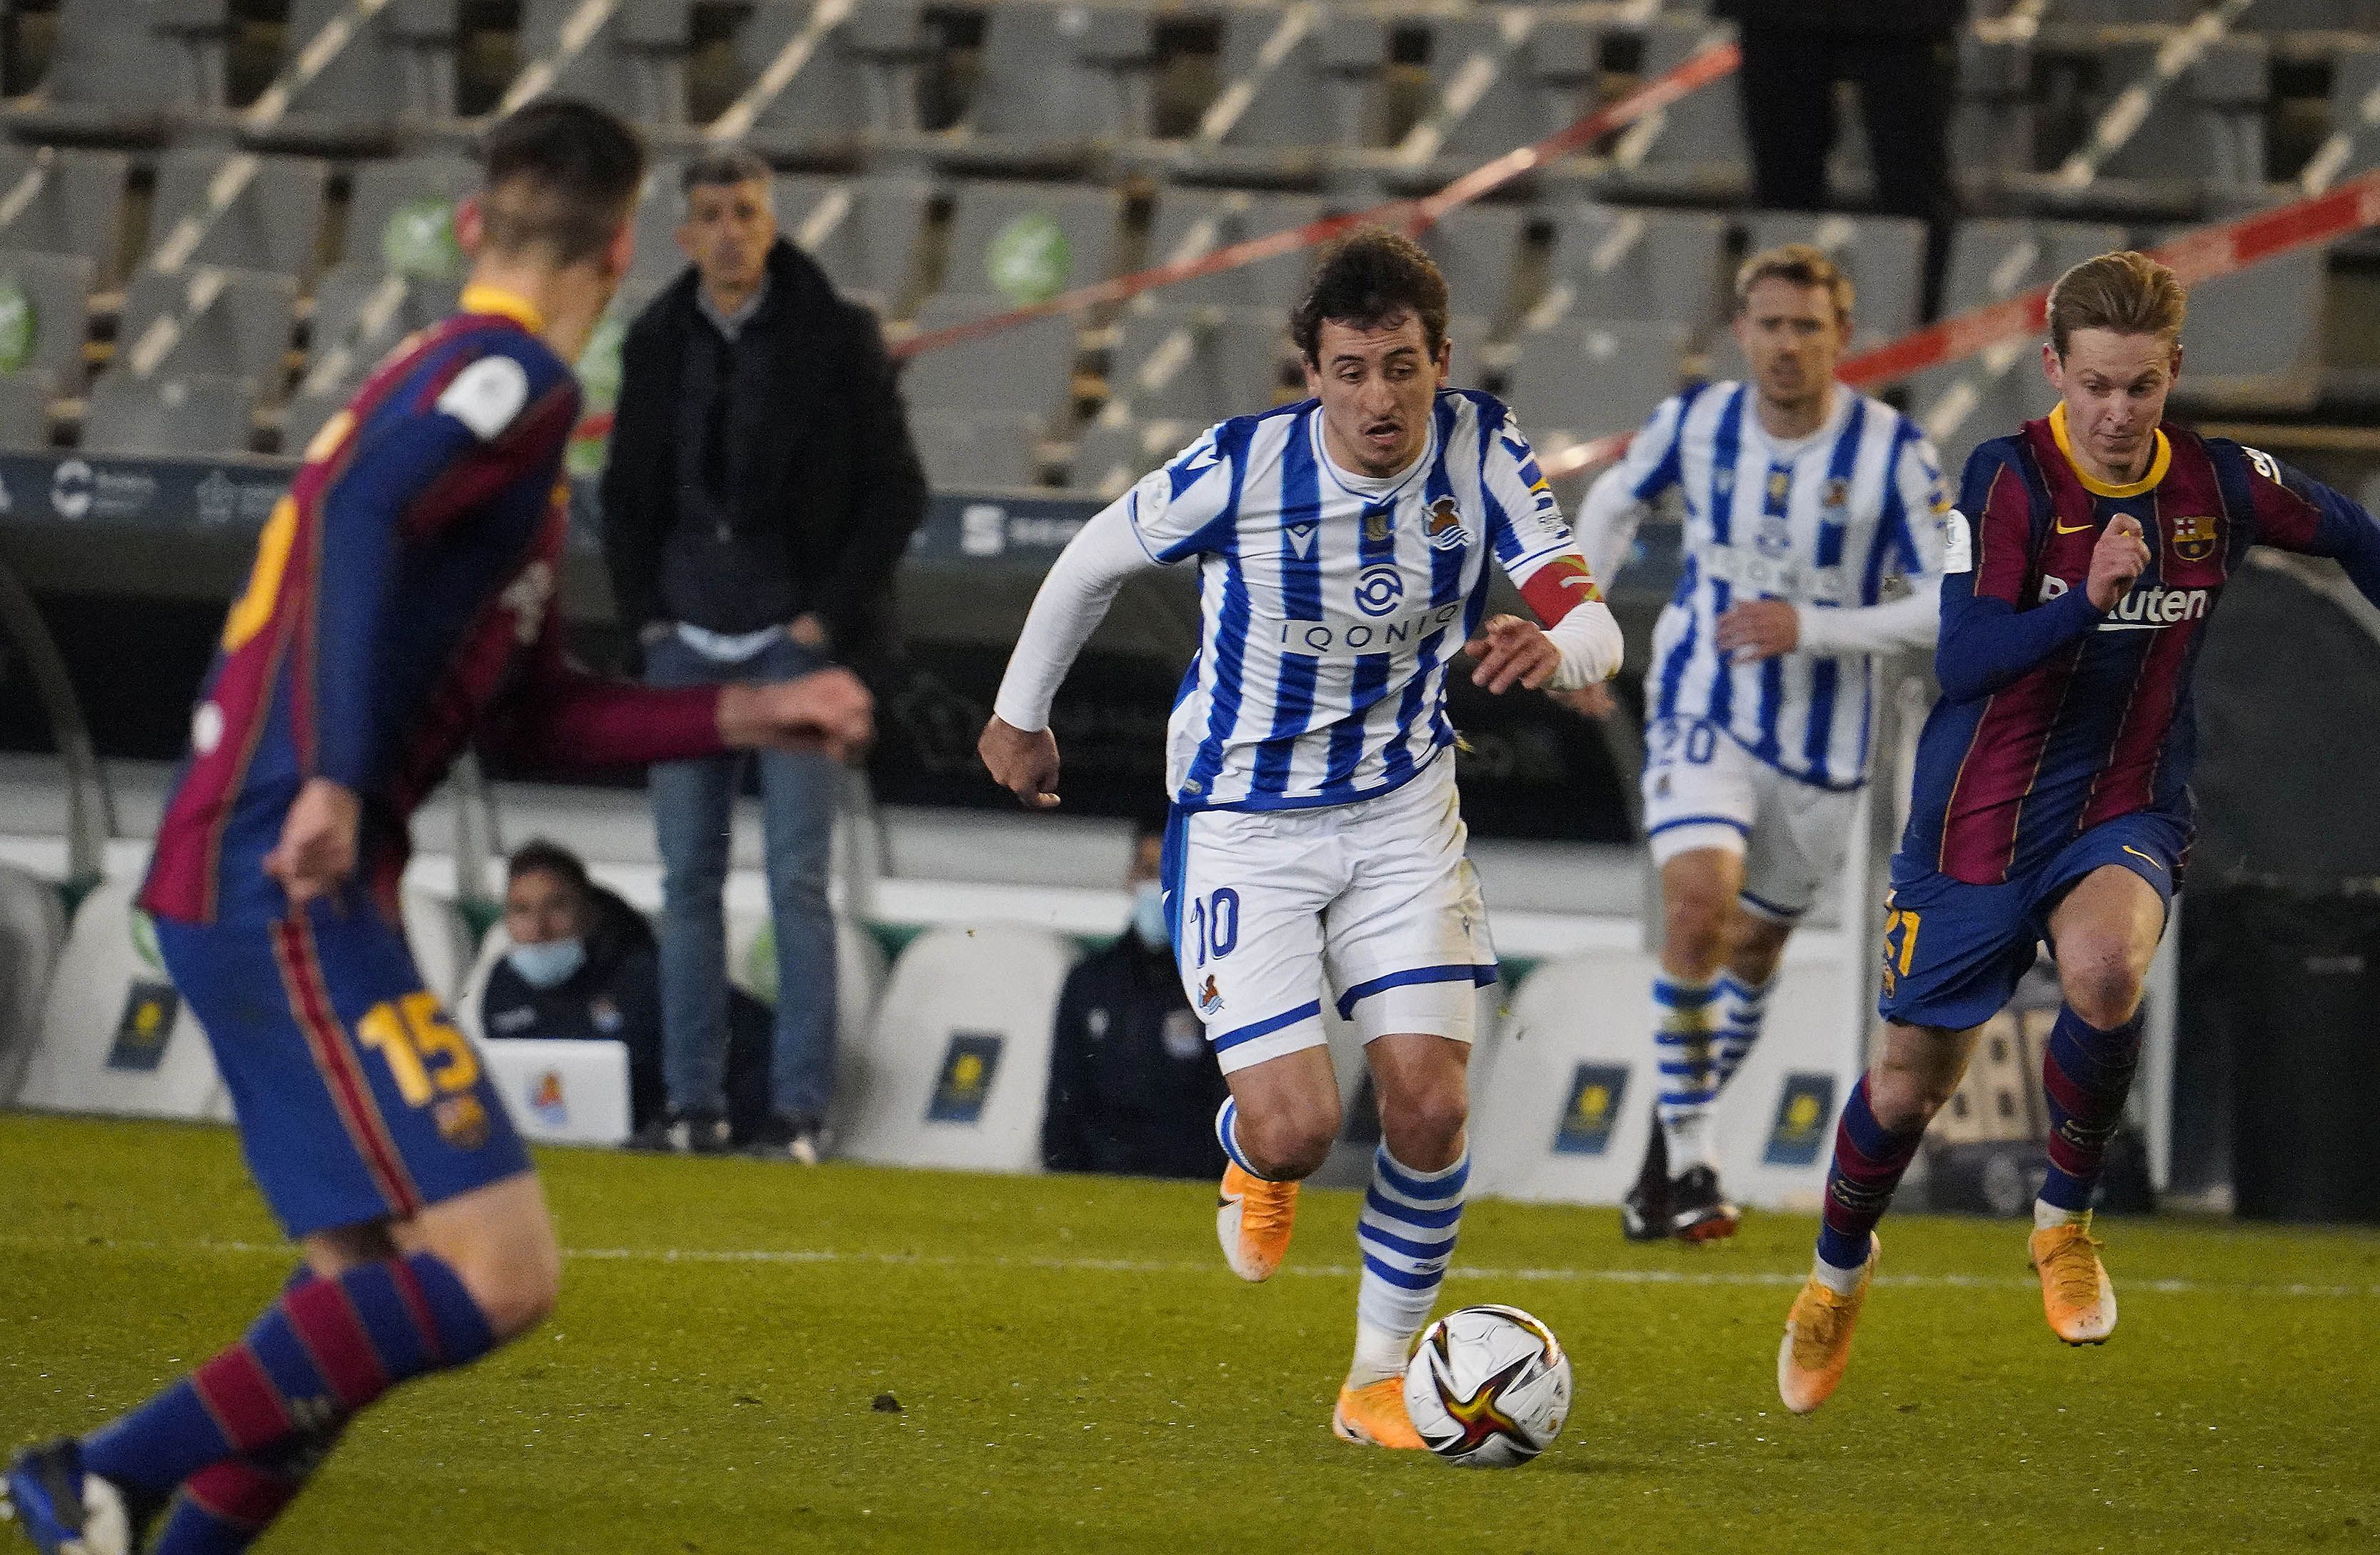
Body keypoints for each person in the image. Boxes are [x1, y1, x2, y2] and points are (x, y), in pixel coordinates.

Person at [0, 101, 873, 1555]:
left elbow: (532, 718)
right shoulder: (506, 376)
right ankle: (90, 1465)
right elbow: (350, 515)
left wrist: (741, 715)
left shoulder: (478, 415)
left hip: (253, 867)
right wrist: (336, 773)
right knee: (497, 1266)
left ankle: (138, 1514)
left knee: (358, 1292)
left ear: (472, 223)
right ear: (619, 251)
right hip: (286, 866)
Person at [979, 229, 1624, 1449]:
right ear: (1309, 373)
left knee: (1429, 1110)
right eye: (1347, 370)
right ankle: (1249, 1152)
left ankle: (1374, 1378)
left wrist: (1557, 645)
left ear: (1441, 359)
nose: (1377, 398)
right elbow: (1086, 562)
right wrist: (1019, 717)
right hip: (1242, 820)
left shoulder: (1481, 446)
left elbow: (1590, 621)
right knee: (1297, 1127)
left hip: (1399, 815)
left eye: (1399, 367)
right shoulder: (1240, 466)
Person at [1776, 251, 2380, 1414]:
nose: (2113, 412)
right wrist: (2084, 601)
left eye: (2138, 387)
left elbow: (2353, 532)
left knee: (2105, 968)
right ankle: (1834, 1274)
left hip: (2123, 800)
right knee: (1906, 1087)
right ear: (2053, 368)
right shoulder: (2006, 481)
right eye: (2093, 384)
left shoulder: (2217, 484)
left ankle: (2061, 1223)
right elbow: (1961, 660)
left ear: (2171, 375)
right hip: (1976, 821)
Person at [1575, 244, 1949, 1243]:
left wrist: (1815, 627)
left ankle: (1662, 1152)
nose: (1786, 345)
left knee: (1753, 948)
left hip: (1825, 743)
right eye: (1770, 325)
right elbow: (1612, 503)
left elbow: (1947, 603)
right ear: (1741, 332)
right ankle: (1696, 1161)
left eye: (1806, 326)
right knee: (1698, 908)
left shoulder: (1896, 456)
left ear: (1843, 337)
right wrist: (1583, 626)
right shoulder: (1692, 423)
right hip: (1705, 702)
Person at [600, 149, 927, 1165]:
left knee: (797, 883)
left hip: (795, 645)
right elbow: (622, 497)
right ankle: (692, 1105)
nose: (733, 230)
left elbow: (894, 492)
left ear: (772, 222)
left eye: (748, 211)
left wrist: (821, 626)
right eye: (713, 214)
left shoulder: (837, 335)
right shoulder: (654, 339)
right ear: (684, 235)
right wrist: (649, 620)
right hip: (685, 643)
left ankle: (797, 1117)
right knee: (686, 882)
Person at [481, 840, 772, 1142]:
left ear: (589, 912)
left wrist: (723, 1127)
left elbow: (756, 1030)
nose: (539, 929)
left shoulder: (648, 973)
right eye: (522, 910)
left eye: (557, 907)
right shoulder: (503, 987)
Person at [1717, 0, 1963, 322]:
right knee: (1784, 194)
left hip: (1909, 17)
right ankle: (1784, 326)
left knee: (1914, 191)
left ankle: (1922, 335)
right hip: (1778, 17)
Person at [1041, 816, 1230, 1180]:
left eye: (1169, 872)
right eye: (1147, 870)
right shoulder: (1090, 981)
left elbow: (1228, 1097)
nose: (1157, 885)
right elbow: (1065, 1090)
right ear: (1130, 878)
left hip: (1190, 1179)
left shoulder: (1214, 983)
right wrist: (1062, 1173)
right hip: (1098, 1176)